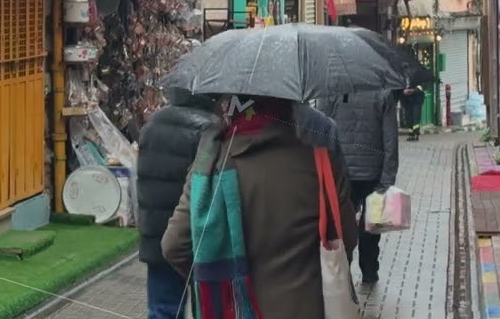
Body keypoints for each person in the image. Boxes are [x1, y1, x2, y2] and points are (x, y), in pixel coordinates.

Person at [162, 96, 357, 319]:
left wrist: (220, 280)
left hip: (232, 311)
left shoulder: (211, 166)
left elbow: (174, 246)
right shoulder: (321, 160)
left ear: (234, 102)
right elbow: (347, 238)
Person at [136, 87, 223, 319]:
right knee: (207, 307)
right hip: (193, 236)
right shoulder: (209, 128)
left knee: (162, 309)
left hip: (155, 236)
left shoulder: (153, 123)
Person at [320, 89, 399, 289]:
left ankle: (343, 270)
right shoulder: (383, 92)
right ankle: (370, 272)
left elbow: (322, 130)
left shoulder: (332, 90)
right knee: (372, 225)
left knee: (341, 223)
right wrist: (387, 178)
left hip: (341, 171)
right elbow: (391, 139)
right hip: (374, 172)